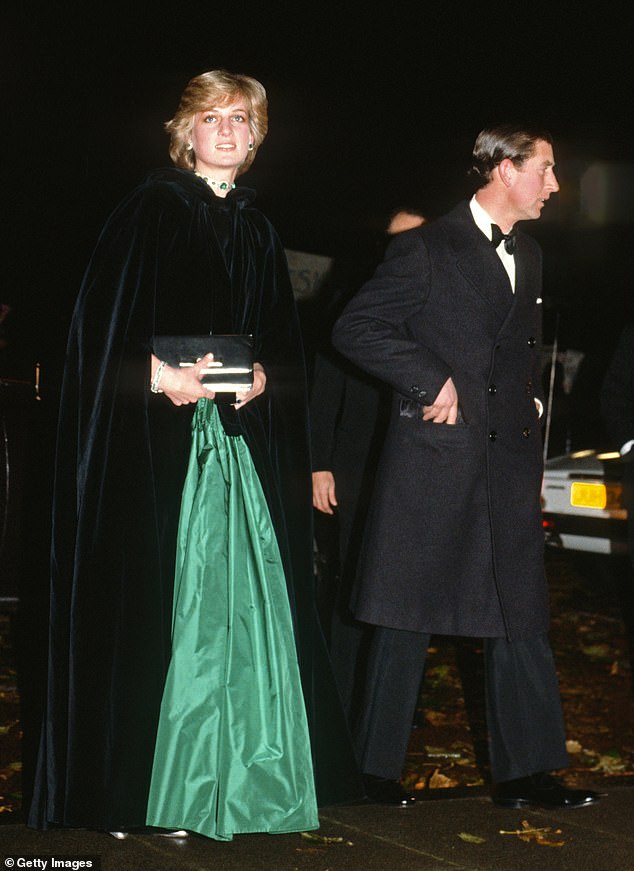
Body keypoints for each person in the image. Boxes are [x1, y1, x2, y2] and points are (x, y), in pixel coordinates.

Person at [28, 69, 361, 841]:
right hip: (152, 455)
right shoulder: (148, 211)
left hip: (236, 454)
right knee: (164, 616)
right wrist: (156, 375)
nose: (226, 129)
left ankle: (238, 786)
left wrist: (270, 379)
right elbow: (89, 337)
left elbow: (283, 346)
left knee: (239, 614)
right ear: (186, 133)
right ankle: (142, 796)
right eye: (210, 117)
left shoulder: (257, 228)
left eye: (241, 119)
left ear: (255, 139)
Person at [332, 124, 601, 810]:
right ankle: (370, 772)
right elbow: (355, 327)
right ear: (503, 169)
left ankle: (528, 773)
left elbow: (510, 355)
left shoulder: (531, 255)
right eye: (544, 168)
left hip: (506, 463)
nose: (554, 184)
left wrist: (530, 407)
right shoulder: (425, 247)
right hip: (433, 460)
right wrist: (430, 380)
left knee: (519, 612)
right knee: (404, 614)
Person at [310, 207, 426, 720]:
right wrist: (319, 463)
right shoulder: (354, 301)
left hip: (418, 465)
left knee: (404, 590)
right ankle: (333, 705)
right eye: (392, 242)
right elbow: (323, 390)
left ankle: (381, 716)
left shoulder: (438, 302)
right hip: (355, 464)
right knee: (352, 582)